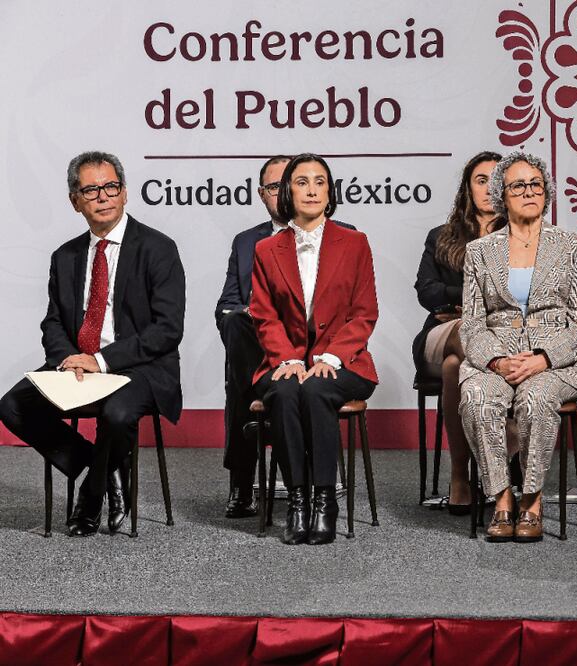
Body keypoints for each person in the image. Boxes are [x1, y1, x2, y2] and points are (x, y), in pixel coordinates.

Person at [0, 151, 186, 537]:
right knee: (13, 406)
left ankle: (90, 493)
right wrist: (69, 358)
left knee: (117, 416)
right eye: (91, 190)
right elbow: (53, 322)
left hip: (139, 367)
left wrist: (100, 360)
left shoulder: (158, 248)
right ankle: (103, 467)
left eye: (110, 187)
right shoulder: (64, 256)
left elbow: (166, 330)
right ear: (75, 201)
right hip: (78, 365)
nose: (102, 196)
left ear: (125, 193)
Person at [458, 151, 577, 543]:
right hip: (497, 357)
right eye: (518, 185)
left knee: (536, 398)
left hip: (557, 360)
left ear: (547, 192)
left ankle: (531, 500)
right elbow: (471, 323)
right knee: (478, 398)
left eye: (536, 184)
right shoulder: (479, 251)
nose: (529, 191)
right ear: (502, 194)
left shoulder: (573, 245)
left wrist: (545, 358)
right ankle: (502, 497)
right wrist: (497, 361)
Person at [214, 155, 355, 519]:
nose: (283, 193)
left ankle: (268, 416)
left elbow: (358, 311)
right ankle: (245, 477)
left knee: (251, 384)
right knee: (236, 327)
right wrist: (261, 318)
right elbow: (228, 303)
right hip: (262, 343)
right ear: (263, 194)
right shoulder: (249, 243)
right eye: (273, 187)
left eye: (287, 184)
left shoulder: (346, 238)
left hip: (318, 350)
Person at [249, 153, 378, 545]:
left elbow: (364, 313)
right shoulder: (267, 249)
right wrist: (287, 359)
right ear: (288, 191)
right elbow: (263, 316)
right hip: (284, 361)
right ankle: (298, 502)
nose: (311, 189)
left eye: (319, 181)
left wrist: (329, 358)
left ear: (330, 190)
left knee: (316, 387)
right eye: (302, 181)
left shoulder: (355, 243)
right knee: (287, 390)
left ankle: (325, 501)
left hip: (345, 361)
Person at [412, 150, 501, 513]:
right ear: (467, 188)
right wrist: (475, 303)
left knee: (455, 367)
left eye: (497, 181)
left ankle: (460, 475)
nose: (488, 188)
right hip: (442, 331)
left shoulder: (523, 237)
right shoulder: (442, 236)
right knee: (466, 330)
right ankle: (500, 462)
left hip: (494, 339)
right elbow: (426, 291)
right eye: (481, 180)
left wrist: (472, 303)